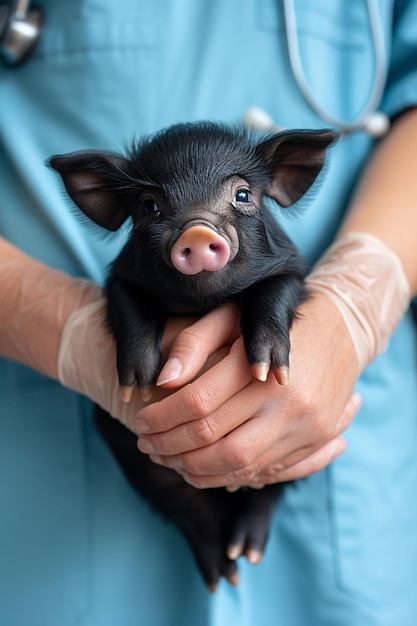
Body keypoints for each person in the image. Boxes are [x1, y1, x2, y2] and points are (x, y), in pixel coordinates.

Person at [1, 1, 417, 624]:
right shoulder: (138, 262)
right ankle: (198, 525)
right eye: (151, 210)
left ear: (288, 176)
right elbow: (126, 289)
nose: (200, 232)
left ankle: (258, 513)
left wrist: (358, 300)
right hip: (61, 501)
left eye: (240, 198)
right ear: (100, 196)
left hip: (345, 502)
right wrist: (64, 331)